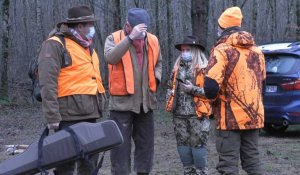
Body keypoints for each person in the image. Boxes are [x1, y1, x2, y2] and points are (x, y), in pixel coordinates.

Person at [38, 5, 106, 175]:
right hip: (67, 115)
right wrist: (52, 116)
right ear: (80, 26)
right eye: (90, 24)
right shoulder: (55, 44)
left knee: (90, 163)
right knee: (65, 164)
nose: (93, 28)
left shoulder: (87, 46)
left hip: (90, 113)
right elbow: (47, 82)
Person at [199, 7, 266, 174]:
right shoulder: (257, 51)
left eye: (218, 26)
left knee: (228, 165)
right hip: (253, 116)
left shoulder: (221, 50)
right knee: (252, 161)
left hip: (229, 119)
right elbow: (262, 84)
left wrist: (212, 102)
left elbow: (211, 87)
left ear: (223, 27)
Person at [104, 7, 162, 175]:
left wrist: (156, 79)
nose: (142, 32)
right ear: (128, 25)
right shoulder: (114, 38)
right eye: (138, 28)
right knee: (119, 148)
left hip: (146, 104)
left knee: (146, 147)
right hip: (121, 105)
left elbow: (159, 62)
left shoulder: (153, 40)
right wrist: (130, 39)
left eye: (144, 28)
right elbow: (110, 58)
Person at [165, 35, 212, 175]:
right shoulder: (176, 68)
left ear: (196, 50)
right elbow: (169, 86)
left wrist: (193, 89)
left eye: (188, 49)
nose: (184, 52)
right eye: (183, 50)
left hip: (198, 116)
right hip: (179, 115)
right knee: (183, 147)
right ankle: (188, 172)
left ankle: (201, 172)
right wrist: (170, 96)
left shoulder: (205, 69)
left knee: (198, 147)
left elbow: (212, 93)